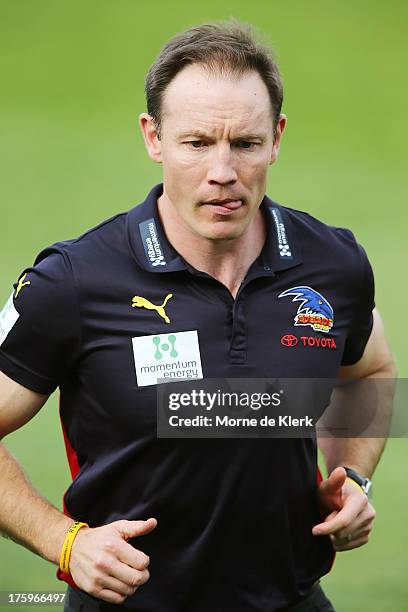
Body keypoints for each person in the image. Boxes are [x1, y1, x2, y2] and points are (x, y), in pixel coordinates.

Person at [0, 21, 395, 612]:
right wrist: (65, 542)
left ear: (277, 138)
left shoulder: (332, 265)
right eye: (196, 143)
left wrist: (352, 478)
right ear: (153, 138)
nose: (222, 172)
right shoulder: (74, 282)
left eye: (245, 143)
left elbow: (369, 373)